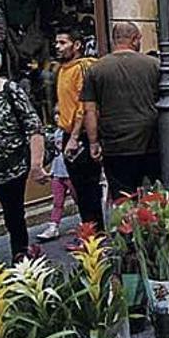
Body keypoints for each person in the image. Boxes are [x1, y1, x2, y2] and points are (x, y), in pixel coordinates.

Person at [82, 22, 160, 199]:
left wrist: (93, 142)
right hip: (150, 142)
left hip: (115, 145)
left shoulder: (95, 69)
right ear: (134, 40)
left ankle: (129, 226)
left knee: (123, 198)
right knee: (158, 196)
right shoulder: (153, 65)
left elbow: (89, 111)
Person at [0, 40, 49, 260]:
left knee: (14, 217)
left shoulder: (9, 90)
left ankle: (21, 260)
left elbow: (34, 126)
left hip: (11, 169)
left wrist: (36, 165)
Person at [53, 27, 103, 231]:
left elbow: (85, 105)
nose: (57, 47)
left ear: (77, 45)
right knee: (79, 190)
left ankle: (95, 234)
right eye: (56, 43)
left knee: (88, 190)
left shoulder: (83, 67)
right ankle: (88, 232)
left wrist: (74, 137)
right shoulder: (62, 69)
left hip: (81, 136)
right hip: (68, 134)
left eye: (62, 43)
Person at [37, 121, 76, 242]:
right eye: (56, 115)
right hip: (57, 173)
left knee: (79, 199)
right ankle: (53, 226)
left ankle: (87, 223)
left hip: (70, 173)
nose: (58, 118)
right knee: (57, 202)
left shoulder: (72, 133)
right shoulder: (54, 133)